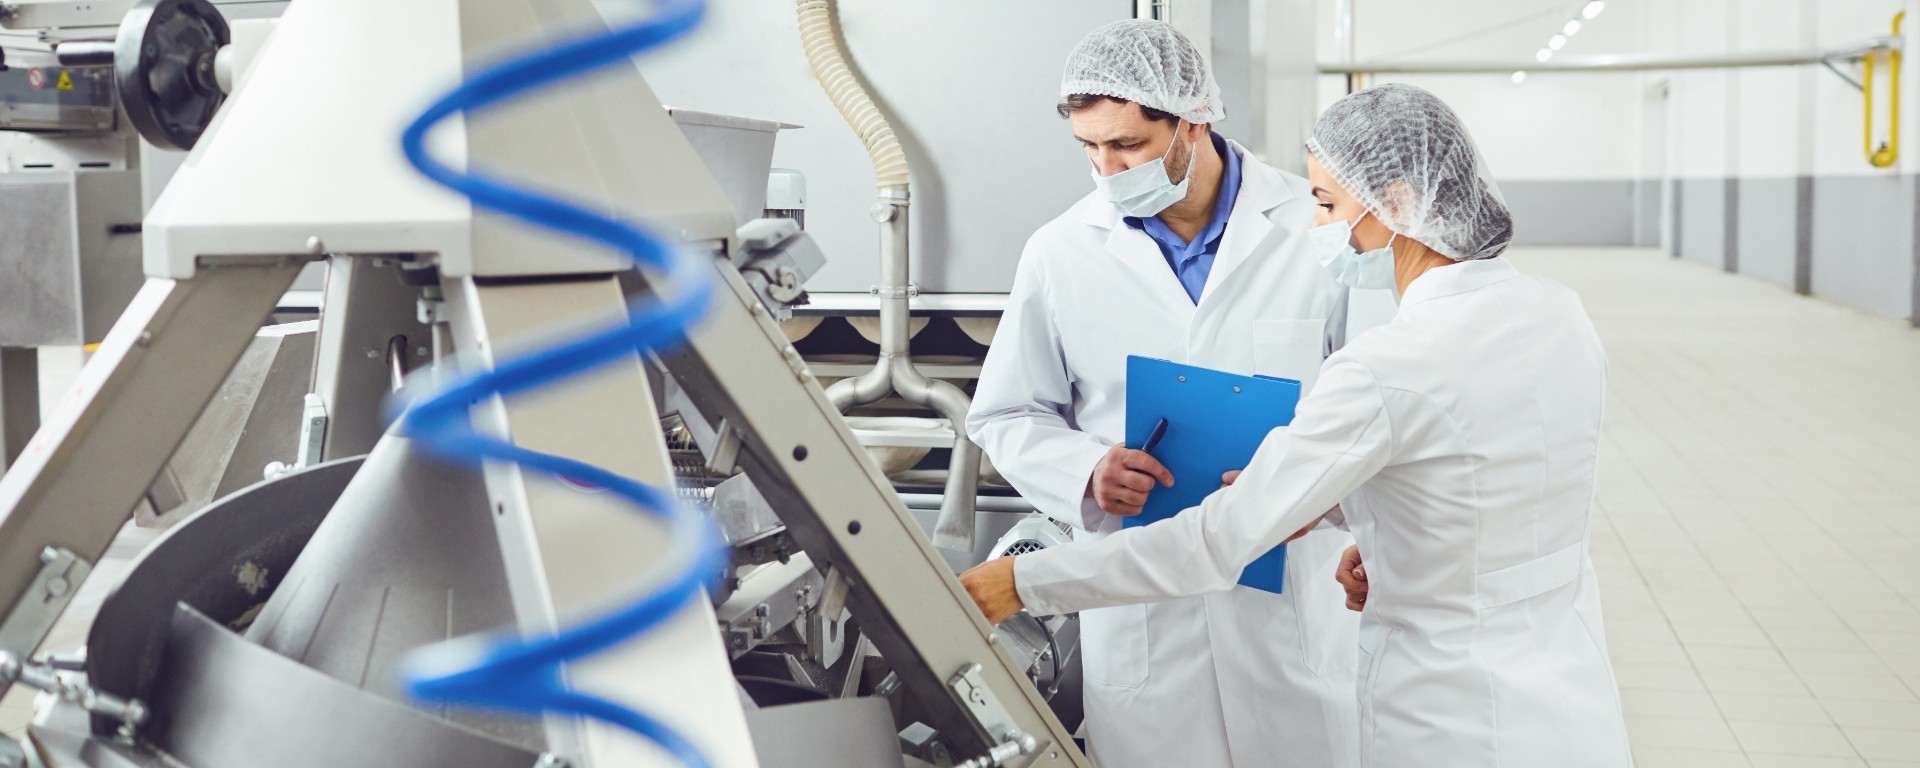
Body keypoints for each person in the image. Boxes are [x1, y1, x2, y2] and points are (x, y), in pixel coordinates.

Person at [962, 83, 1633, 768]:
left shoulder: (1387, 365)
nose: (1317, 228)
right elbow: (1486, 470)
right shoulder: (1557, 312)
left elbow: (1217, 540)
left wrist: (1020, 583)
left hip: (1446, 711)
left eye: (1327, 204)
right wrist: (1379, 529)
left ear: (1398, 202)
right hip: (1565, 697)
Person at [965, 19, 1389, 768]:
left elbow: (1376, 407)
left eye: (1127, 145)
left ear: (1193, 122)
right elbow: (1005, 412)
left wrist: (1336, 507)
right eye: (1088, 148)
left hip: (1288, 595)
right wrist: (1085, 473)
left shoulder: (1313, 230)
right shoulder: (1061, 251)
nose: (1105, 168)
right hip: (1142, 617)